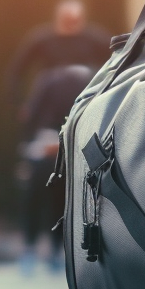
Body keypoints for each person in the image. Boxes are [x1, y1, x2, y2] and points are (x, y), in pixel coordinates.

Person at [19, 64, 94, 276]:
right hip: (46, 147)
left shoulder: (88, 78)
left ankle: (52, 251)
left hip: (71, 147)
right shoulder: (49, 80)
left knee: (59, 198)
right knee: (43, 192)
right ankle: (34, 250)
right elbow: (32, 118)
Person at [5, 0, 110, 115]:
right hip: (49, 104)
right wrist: (18, 103)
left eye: (74, 20)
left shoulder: (94, 38)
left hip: (84, 99)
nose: (71, 24)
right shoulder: (41, 39)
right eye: (67, 19)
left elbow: (117, 59)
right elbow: (17, 69)